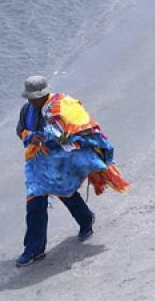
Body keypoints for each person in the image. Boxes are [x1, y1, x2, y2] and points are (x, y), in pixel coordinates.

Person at [15, 76, 130, 267]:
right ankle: (34, 248)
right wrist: (29, 136)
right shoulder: (26, 110)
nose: (32, 101)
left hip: (61, 161)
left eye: (35, 97)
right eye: (30, 98)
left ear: (44, 94)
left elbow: (83, 128)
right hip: (38, 163)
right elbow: (20, 129)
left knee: (66, 193)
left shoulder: (64, 106)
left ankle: (86, 219)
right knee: (34, 202)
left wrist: (60, 138)